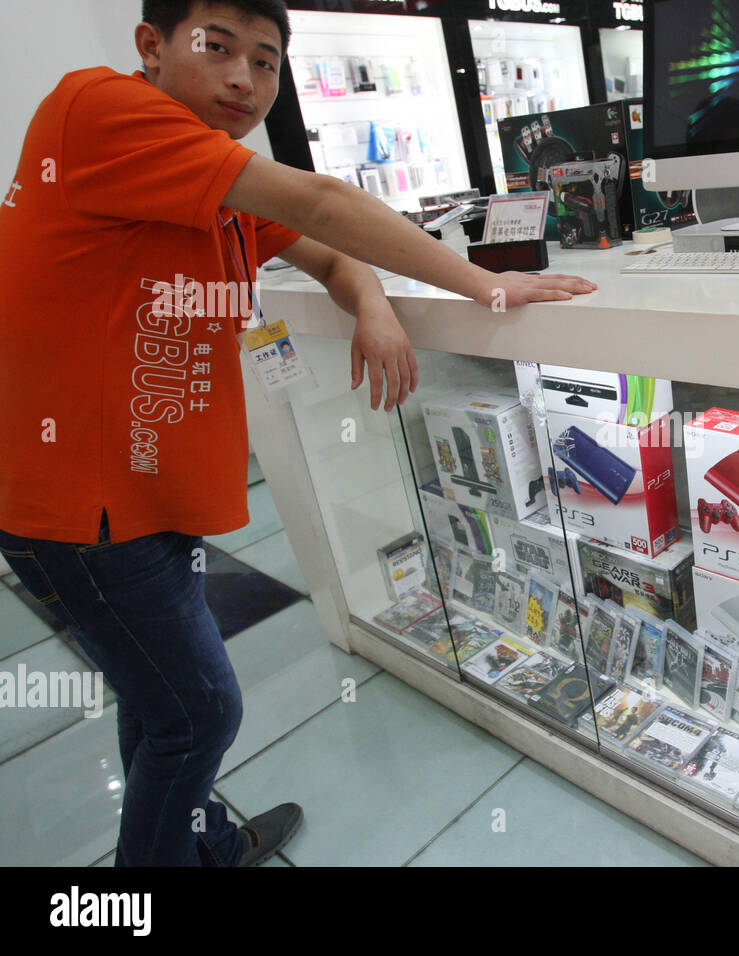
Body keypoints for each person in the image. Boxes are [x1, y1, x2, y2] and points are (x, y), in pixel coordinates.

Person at [0, 0, 595, 867]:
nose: (246, 78)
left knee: (158, 698)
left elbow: (323, 243)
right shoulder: (100, 107)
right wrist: (483, 284)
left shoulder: (211, 173)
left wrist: (374, 302)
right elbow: (322, 198)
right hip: (81, 508)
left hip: (141, 493)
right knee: (199, 712)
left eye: (268, 61)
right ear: (150, 47)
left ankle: (203, 843)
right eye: (218, 48)